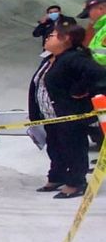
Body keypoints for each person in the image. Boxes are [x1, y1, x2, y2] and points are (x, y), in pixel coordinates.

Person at [29, 24, 106, 199]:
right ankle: (57, 176)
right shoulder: (50, 58)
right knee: (56, 148)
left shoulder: (74, 58)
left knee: (73, 148)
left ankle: (76, 182)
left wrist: (80, 90)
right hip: (51, 115)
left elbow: (99, 75)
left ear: (66, 39)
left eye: (53, 35)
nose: (48, 37)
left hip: (69, 114)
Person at [78, 0, 106, 167]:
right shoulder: (100, 29)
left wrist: (86, 57)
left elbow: (102, 56)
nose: (89, 17)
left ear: (101, 9)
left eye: (90, 12)